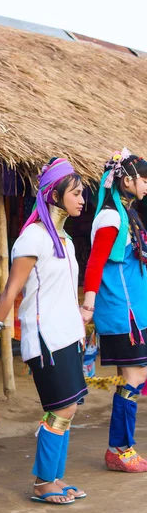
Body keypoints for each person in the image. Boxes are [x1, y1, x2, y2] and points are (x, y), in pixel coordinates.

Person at [0, 158, 87, 505]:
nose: (81, 199)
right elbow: (11, 291)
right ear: (54, 196)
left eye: (82, 194)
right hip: (46, 338)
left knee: (69, 408)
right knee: (60, 409)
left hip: (69, 335)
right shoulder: (33, 238)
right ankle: (43, 483)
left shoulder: (65, 240)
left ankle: (55, 478)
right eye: (75, 193)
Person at [82, 148, 147, 472]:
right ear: (127, 178)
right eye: (144, 179)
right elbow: (95, 262)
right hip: (123, 313)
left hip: (134, 310)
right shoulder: (111, 217)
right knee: (135, 376)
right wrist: (88, 306)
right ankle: (120, 449)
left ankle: (120, 448)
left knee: (133, 376)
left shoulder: (126, 212)